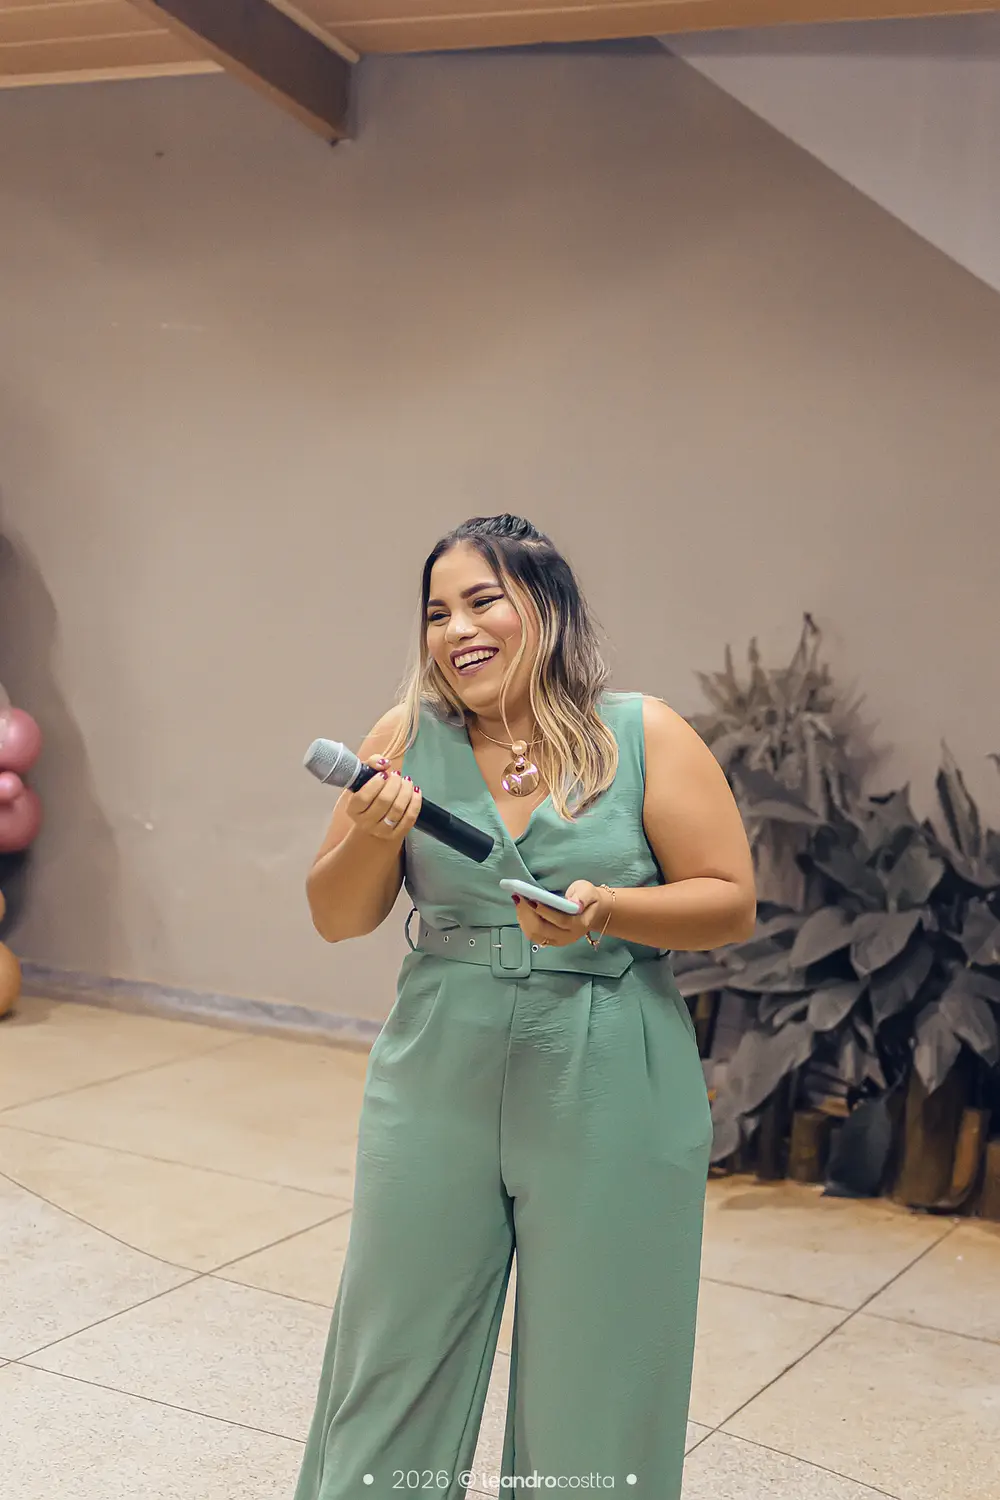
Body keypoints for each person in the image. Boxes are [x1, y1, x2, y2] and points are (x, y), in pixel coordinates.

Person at [296, 514, 755, 1500]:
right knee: (396, 1340)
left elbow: (729, 900)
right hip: (439, 1065)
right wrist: (373, 832)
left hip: (610, 1067)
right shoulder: (402, 739)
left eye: (482, 600)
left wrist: (609, 910)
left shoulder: (641, 734)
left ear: (546, 609)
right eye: (436, 612)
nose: (455, 629)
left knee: (600, 1357)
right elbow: (336, 916)